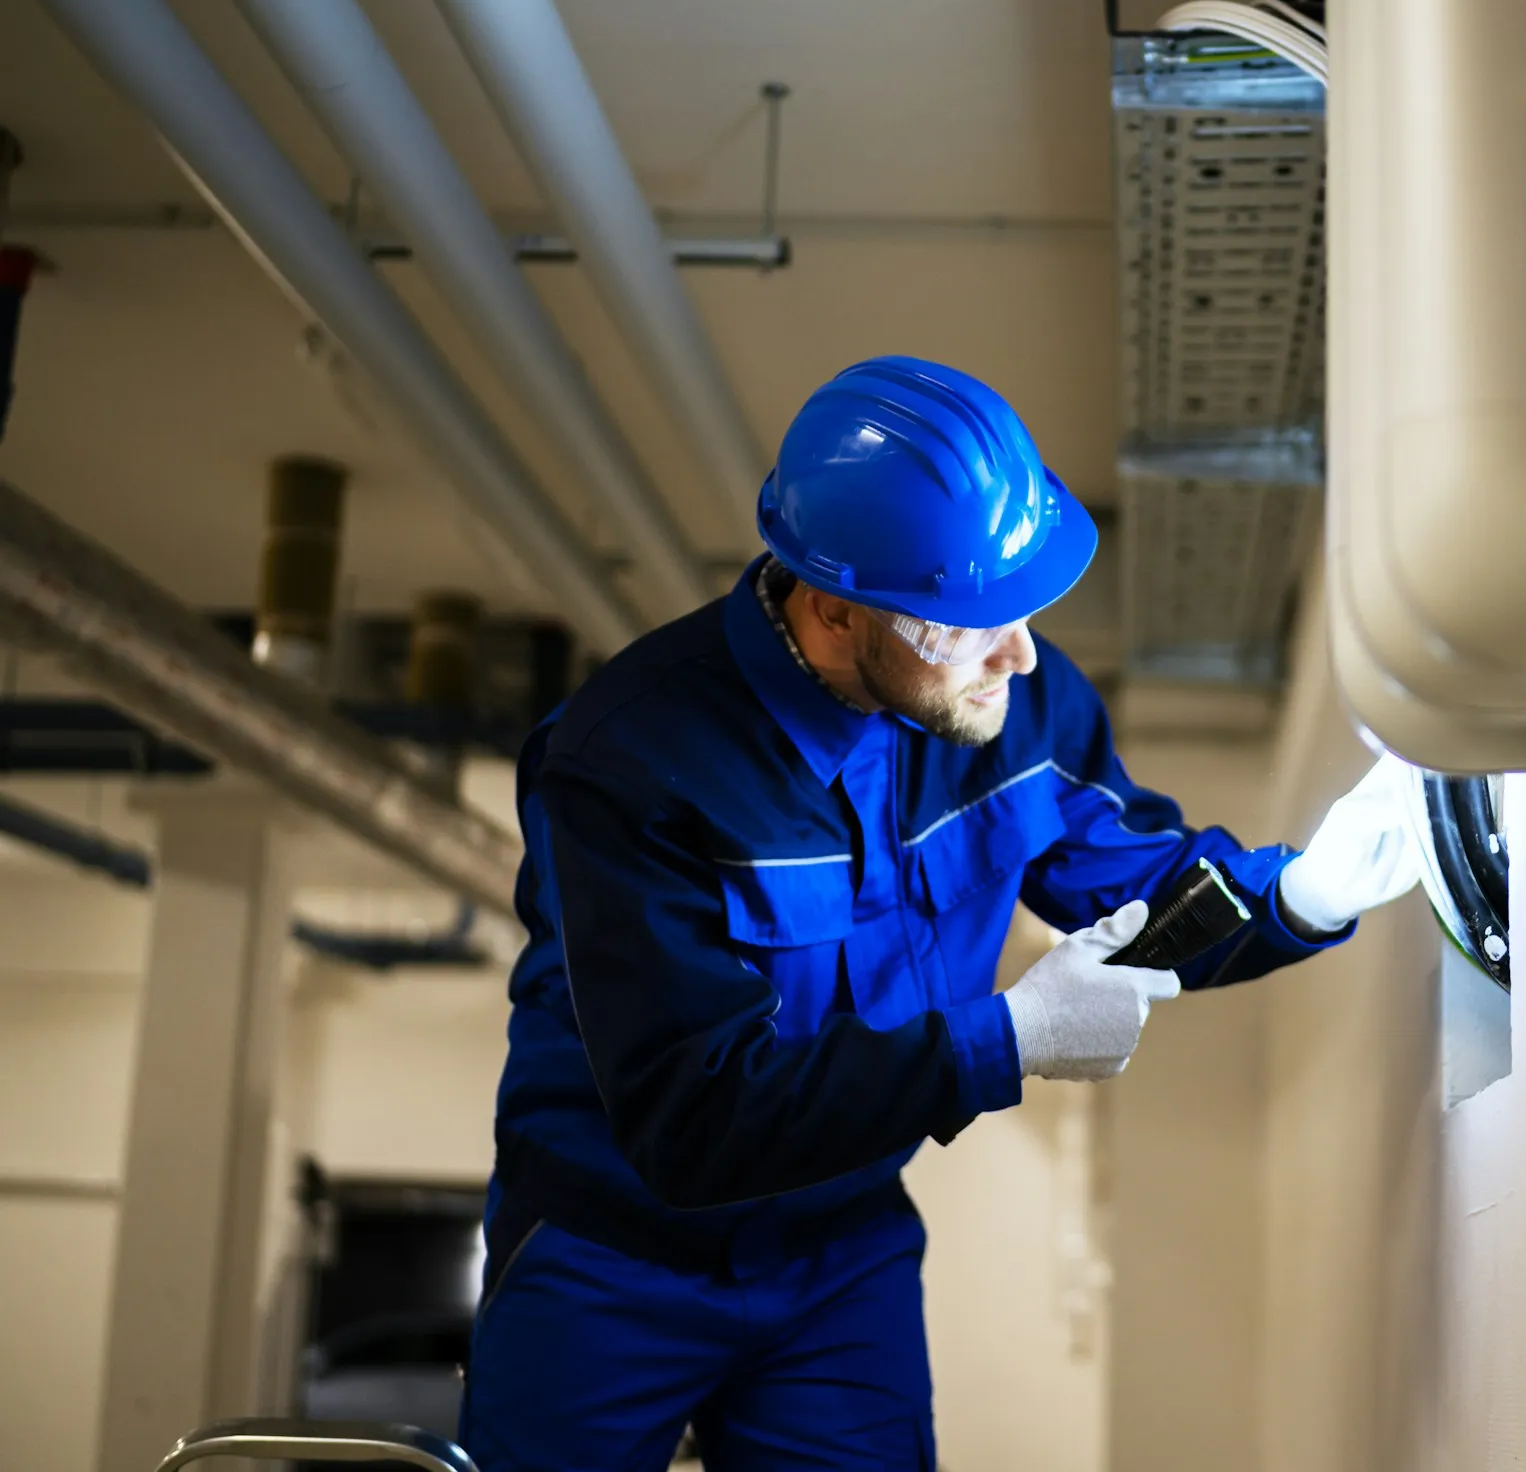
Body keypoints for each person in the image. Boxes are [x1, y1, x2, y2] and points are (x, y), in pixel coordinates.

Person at [462, 355, 1421, 1472]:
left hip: (840, 1252)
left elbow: (1139, 896)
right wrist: (1004, 1040)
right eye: (970, 623)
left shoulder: (1016, 700)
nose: (1019, 652)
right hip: (605, 1252)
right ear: (831, 610)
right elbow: (693, 1118)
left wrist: (1301, 895)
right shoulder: (628, 761)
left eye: (1020, 612)